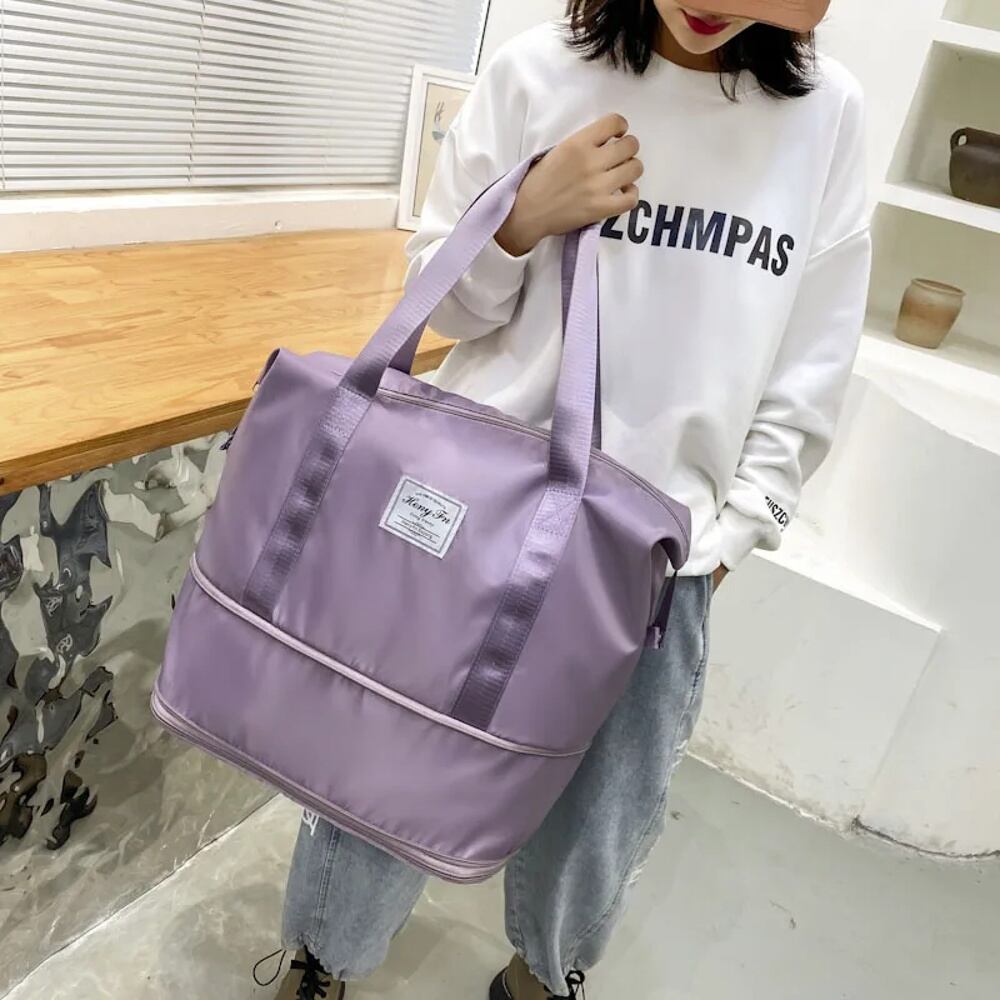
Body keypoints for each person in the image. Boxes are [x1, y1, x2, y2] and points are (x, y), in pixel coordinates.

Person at [271, 2, 870, 997]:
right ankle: (325, 958)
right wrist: (520, 218)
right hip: (480, 512)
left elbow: (815, 349)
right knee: (386, 766)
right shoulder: (536, 71)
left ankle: (540, 977)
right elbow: (440, 305)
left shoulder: (826, 115)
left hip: (662, 557)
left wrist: (735, 534)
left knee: (600, 812)